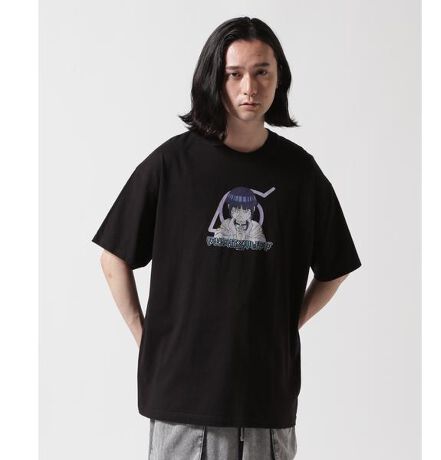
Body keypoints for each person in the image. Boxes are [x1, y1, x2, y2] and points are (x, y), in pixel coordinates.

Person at [91, 16, 362, 460]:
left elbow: (336, 267)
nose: (248, 87)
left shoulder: (300, 174)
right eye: (234, 74)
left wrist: (288, 322)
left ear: (279, 79)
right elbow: (112, 256)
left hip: (265, 403)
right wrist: (146, 336)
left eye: (261, 72)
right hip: (182, 404)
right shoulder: (171, 165)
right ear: (213, 79)